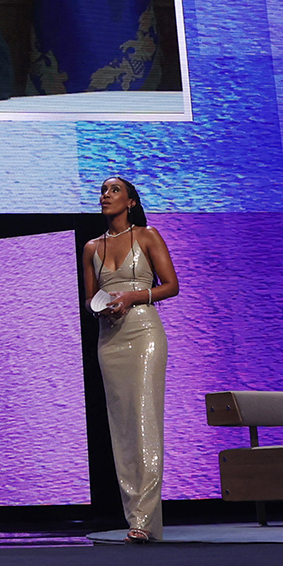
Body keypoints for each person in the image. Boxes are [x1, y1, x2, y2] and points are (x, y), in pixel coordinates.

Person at [82, 176, 178, 543]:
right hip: (110, 339)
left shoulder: (148, 236)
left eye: (114, 190)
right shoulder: (92, 245)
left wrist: (134, 296)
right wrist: (101, 310)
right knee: (121, 429)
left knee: (145, 422)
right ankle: (136, 518)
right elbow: (90, 300)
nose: (105, 196)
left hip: (144, 334)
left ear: (131, 202)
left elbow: (171, 284)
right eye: (103, 191)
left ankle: (144, 519)